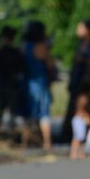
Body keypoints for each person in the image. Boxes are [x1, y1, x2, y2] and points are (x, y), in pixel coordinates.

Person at [62, 19, 90, 143]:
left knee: (84, 110)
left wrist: (84, 61)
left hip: (85, 83)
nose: (78, 30)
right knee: (75, 109)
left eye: (81, 27)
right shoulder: (81, 44)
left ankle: (85, 136)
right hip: (77, 81)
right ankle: (74, 136)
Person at [21, 20, 56, 151]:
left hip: (27, 82)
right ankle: (47, 142)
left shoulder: (24, 46)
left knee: (28, 115)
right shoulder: (41, 46)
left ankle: (26, 142)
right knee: (44, 114)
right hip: (40, 82)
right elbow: (50, 64)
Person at [0, 25, 24, 131]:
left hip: (3, 82)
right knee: (12, 110)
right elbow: (21, 68)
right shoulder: (16, 52)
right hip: (12, 83)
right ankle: (10, 130)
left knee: (1, 107)